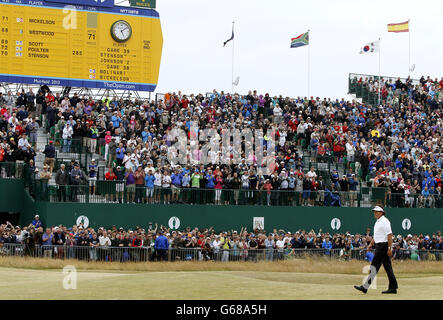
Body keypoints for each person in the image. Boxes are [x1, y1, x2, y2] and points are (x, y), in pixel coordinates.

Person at [354, 206, 398, 294]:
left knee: (374, 266)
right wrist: (371, 244)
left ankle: (365, 287)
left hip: (383, 246)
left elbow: (389, 235)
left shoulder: (385, 221)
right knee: (388, 267)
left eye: (376, 211)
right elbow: (377, 236)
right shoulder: (378, 222)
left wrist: (389, 248)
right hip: (380, 245)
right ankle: (393, 287)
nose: (375, 213)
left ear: (381, 212)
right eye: (374, 211)